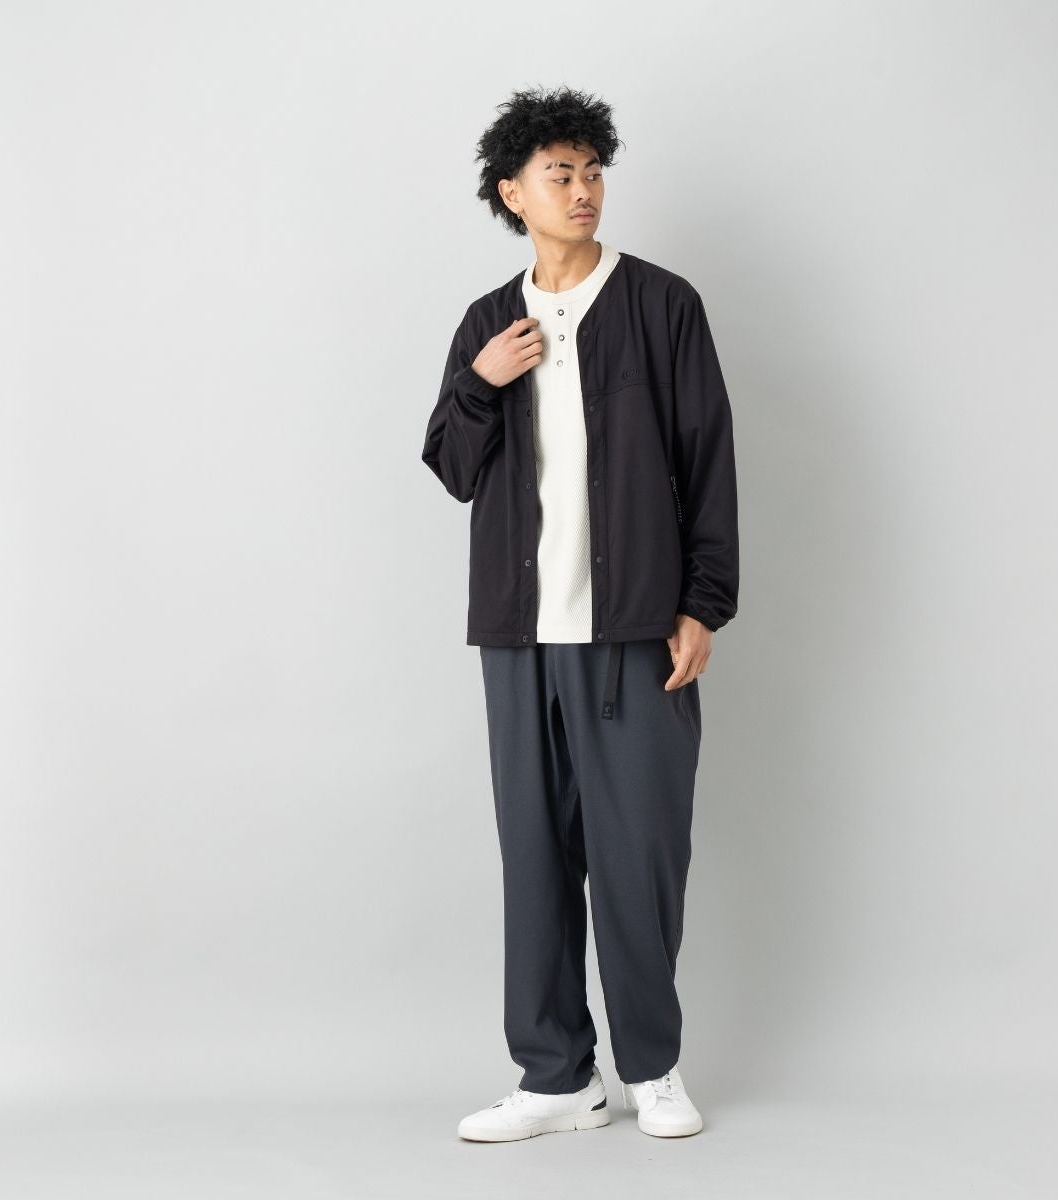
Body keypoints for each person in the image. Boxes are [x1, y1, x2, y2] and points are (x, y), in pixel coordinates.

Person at [421, 85, 739, 1142]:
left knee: (640, 856)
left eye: (593, 171)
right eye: (559, 174)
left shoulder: (661, 306)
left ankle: (653, 1068)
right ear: (512, 193)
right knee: (536, 860)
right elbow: (453, 470)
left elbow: (708, 460)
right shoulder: (488, 323)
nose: (583, 189)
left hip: (634, 631)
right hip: (520, 639)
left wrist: (702, 606)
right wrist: (480, 383)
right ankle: (557, 1075)